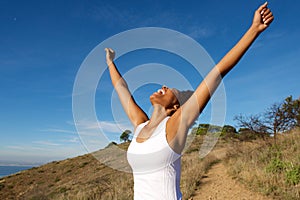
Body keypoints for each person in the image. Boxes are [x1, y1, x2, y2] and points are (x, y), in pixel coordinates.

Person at [105, 2, 274, 200]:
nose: (164, 86)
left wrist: (254, 30)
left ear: (176, 106)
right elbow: (122, 89)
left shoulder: (175, 126)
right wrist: (110, 62)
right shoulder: (140, 126)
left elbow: (217, 72)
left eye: (171, 90)